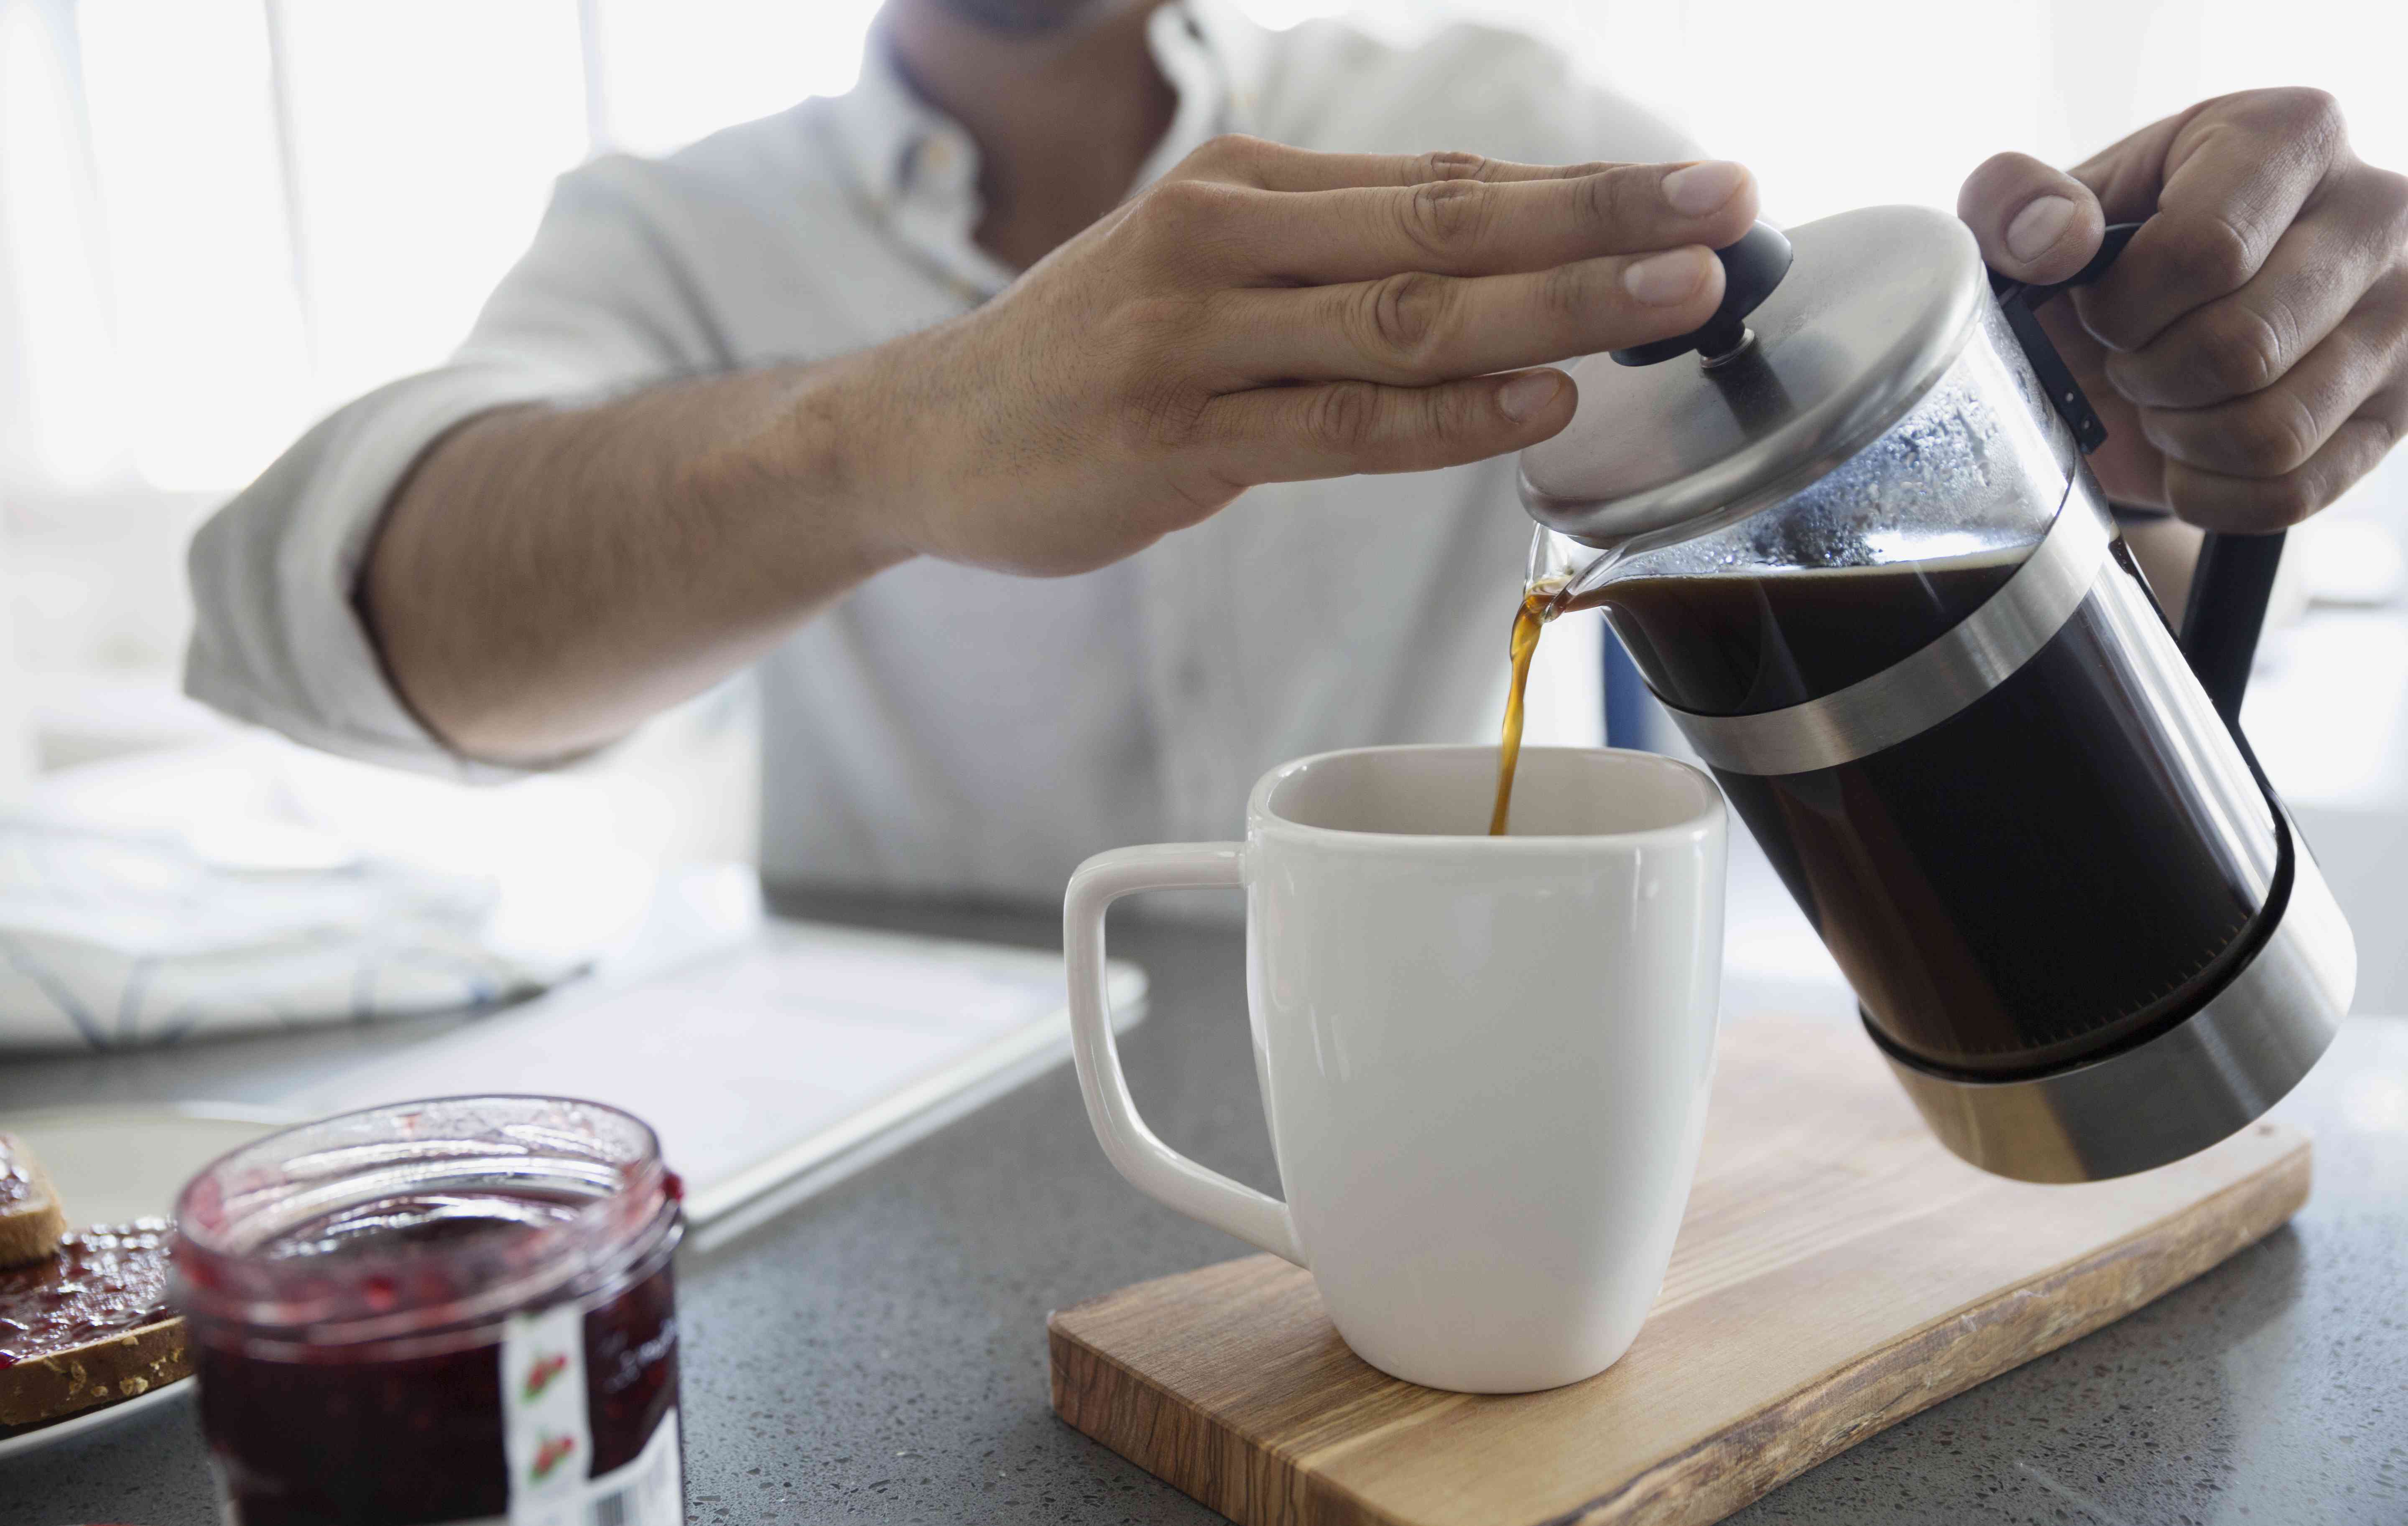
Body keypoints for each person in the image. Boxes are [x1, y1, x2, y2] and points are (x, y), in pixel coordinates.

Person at [188, 0, 2408, 903]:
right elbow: (334, 618)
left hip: (1474, 1105)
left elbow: (1900, 530)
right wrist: (883, 440)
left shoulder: (1506, 138)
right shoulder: (672, 230)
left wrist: (2117, 412)